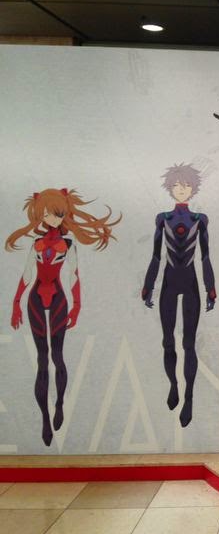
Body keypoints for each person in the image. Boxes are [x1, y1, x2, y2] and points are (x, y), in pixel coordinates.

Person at [6, 188, 119, 445]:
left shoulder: (68, 244)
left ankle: (58, 404)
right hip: (35, 300)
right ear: (40, 215)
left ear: (64, 214)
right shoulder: (36, 243)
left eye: (57, 214)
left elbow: (73, 276)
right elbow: (27, 274)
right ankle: (45, 418)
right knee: (42, 359)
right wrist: (15, 304)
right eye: (47, 214)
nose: (52, 219)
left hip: (58, 299)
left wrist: (76, 306)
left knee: (57, 356)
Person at [142, 163, 216, 428]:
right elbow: (156, 255)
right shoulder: (163, 219)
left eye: (185, 185)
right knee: (167, 342)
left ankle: (189, 397)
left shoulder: (199, 220)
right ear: (170, 188)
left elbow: (205, 256)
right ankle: (173, 384)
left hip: (191, 281)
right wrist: (148, 285)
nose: (181, 189)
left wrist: (210, 287)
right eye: (176, 185)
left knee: (188, 343)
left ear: (192, 189)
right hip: (170, 282)